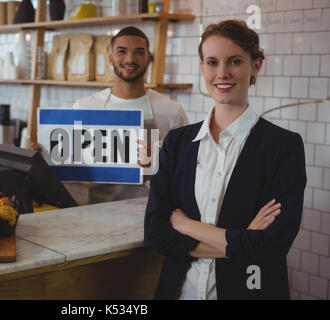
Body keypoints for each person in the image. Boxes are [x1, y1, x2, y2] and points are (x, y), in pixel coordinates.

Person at [144, 20, 307, 300]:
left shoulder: (284, 146)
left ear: (256, 65)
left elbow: (272, 245)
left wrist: (185, 225)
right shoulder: (177, 142)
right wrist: (241, 239)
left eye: (234, 61)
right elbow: (155, 234)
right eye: (212, 62)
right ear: (202, 67)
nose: (222, 73)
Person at [71, 26, 189, 204]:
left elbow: (187, 168)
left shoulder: (172, 111)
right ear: (111, 59)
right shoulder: (84, 108)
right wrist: (44, 155)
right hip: (98, 214)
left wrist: (160, 159)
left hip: (154, 215)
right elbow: (69, 160)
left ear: (148, 60)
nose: (130, 59)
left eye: (139, 52)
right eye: (122, 51)